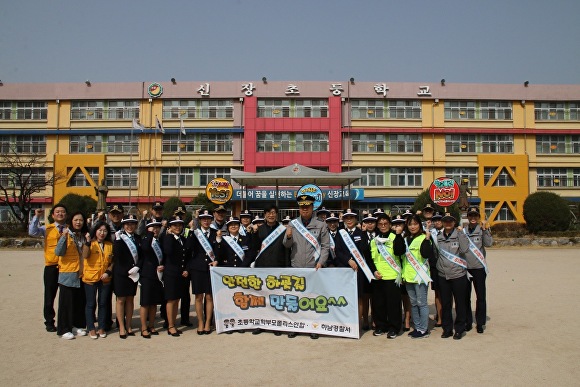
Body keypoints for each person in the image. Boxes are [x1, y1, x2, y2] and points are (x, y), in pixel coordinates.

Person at [283, 194, 330, 339]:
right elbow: (286, 245)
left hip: (313, 268)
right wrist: (289, 236)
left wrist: (321, 262)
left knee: (312, 298)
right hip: (297, 266)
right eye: (302, 207)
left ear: (312, 207)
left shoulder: (321, 224)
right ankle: (295, 326)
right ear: (299, 208)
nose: (304, 209)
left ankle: (313, 327)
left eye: (307, 207)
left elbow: (325, 246)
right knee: (296, 298)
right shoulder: (292, 224)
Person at [393, 213, 433, 339]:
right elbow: (398, 252)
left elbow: (426, 254)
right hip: (408, 276)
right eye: (410, 224)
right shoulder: (405, 238)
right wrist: (398, 234)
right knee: (413, 303)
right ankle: (417, 327)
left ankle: (423, 329)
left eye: (415, 224)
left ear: (419, 225)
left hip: (420, 276)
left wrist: (427, 238)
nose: (412, 226)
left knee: (422, 303)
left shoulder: (423, 237)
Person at [333, 208, 373, 332]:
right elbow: (338, 251)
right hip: (345, 270)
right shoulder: (340, 233)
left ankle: (359, 324)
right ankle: (347, 323)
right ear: (343, 219)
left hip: (359, 270)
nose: (349, 220)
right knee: (346, 297)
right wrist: (348, 260)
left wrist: (364, 233)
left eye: (351, 217)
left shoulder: (361, 233)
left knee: (359, 297)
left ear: (356, 219)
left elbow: (364, 249)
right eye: (346, 217)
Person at [251, 205, 289, 336]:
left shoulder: (283, 230)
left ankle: (276, 324)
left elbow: (286, 251)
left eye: (273, 213)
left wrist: (287, 268)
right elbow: (254, 249)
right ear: (265, 215)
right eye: (268, 213)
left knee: (276, 298)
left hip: (278, 268)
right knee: (261, 297)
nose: (271, 215)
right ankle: (261, 324)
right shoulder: (259, 230)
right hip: (262, 268)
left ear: (277, 214)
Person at [29, 204, 67, 332]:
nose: (60, 214)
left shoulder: (69, 229)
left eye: (62, 212)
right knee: (49, 296)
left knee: (66, 296)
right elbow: (32, 232)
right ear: (53, 215)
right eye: (57, 212)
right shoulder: (47, 229)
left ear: (66, 215)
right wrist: (37, 217)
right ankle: (49, 321)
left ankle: (66, 320)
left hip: (67, 267)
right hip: (51, 266)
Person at [435, 212, 470, 340]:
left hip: (458, 274)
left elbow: (465, 249)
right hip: (443, 275)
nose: (448, 223)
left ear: (454, 223)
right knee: (446, 303)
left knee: (460, 303)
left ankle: (459, 329)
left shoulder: (459, 235)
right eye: (445, 221)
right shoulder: (439, 236)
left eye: (450, 221)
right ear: (443, 223)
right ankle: (447, 329)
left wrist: (461, 233)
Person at [54, 211, 88, 339]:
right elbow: (58, 252)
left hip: (81, 273)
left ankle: (76, 326)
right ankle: (63, 329)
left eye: (81, 220)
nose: (78, 222)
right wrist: (63, 237)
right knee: (66, 303)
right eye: (76, 220)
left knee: (78, 302)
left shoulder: (83, 236)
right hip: (68, 273)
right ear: (71, 221)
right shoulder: (67, 234)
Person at [187, 208, 220, 335]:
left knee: (210, 297)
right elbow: (188, 247)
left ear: (211, 220)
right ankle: (200, 322)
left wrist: (216, 259)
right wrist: (191, 230)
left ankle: (208, 323)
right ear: (200, 220)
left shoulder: (215, 233)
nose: (206, 221)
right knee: (198, 297)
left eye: (208, 219)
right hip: (197, 268)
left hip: (210, 268)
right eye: (203, 219)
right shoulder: (195, 232)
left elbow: (218, 251)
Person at [370, 212, 402, 339]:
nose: (383, 226)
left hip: (392, 276)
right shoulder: (374, 241)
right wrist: (373, 270)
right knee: (378, 304)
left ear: (390, 225)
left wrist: (398, 235)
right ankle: (380, 326)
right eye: (380, 224)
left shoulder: (395, 238)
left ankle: (394, 328)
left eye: (385, 223)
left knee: (393, 304)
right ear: (377, 226)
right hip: (378, 276)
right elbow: (370, 259)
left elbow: (400, 251)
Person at [82, 221, 113, 339]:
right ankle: (91, 328)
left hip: (105, 278)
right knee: (90, 304)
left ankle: (101, 327)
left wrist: (108, 272)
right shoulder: (90, 243)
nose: (102, 233)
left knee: (103, 303)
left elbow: (112, 261)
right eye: (100, 230)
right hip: (90, 278)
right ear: (95, 231)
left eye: (105, 231)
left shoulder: (110, 244)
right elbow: (85, 255)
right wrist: (88, 242)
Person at [464, 206, 493, 334]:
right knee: (465, 297)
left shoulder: (482, 230)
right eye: (471, 215)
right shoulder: (463, 231)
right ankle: (467, 321)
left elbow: (488, 243)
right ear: (468, 217)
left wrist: (486, 229)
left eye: (475, 216)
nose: (473, 218)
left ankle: (480, 323)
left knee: (481, 296)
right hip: (465, 269)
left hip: (479, 268)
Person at [112, 214, 141, 339]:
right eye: (127, 224)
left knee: (130, 300)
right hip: (121, 274)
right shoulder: (120, 238)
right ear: (123, 225)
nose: (130, 226)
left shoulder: (138, 238)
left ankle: (128, 325)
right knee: (121, 300)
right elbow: (117, 255)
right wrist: (118, 240)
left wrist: (137, 266)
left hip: (133, 273)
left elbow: (142, 255)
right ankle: (121, 327)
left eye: (132, 223)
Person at [162, 216, 191, 337]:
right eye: (174, 225)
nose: (178, 227)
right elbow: (168, 251)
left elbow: (187, 255)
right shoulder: (168, 238)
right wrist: (169, 235)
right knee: (171, 299)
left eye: (179, 225)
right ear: (170, 227)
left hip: (181, 273)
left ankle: (173, 323)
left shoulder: (182, 239)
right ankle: (170, 325)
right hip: (171, 273)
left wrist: (186, 269)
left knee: (177, 299)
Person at [138, 219, 165, 338]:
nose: (155, 229)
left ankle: (152, 325)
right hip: (146, 275)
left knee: (154, 303)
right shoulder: (145, 240)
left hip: (157, 276)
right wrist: (149, 234)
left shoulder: (160, 241)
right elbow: (145, 249)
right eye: (152, 227)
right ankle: (143, 327)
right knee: (145, 302)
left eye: (157, 227)